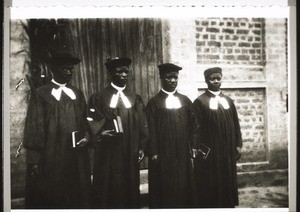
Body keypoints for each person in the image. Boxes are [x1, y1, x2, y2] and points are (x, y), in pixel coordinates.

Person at [23, 51, 91, 209]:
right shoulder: (41, 94)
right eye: (64, 69)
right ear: (53, 70)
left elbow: (86, 120)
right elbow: (34, 128)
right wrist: (34, 160)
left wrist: (88, 136)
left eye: (71, 69)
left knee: (78, 192)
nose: (69, 72)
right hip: (53, 155)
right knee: (55, 193)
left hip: (77, 155)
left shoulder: (77, 94)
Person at [87, 57, 149, 209]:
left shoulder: (135, 98)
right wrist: (101, 133)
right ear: (110, 74)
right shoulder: (99, 97)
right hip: (109, 151)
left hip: (130, 148)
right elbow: (92, 120)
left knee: (129, 184)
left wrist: (141, 146)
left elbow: (143, 124)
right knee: (109, 185)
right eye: (119, 72)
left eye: (126, 72)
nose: (123, 75)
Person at [145, 63, 198, 208]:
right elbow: (150, 129)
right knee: (165, 184)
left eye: (175, 78)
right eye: (169, 78)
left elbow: (194, 126)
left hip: (182, 151)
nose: (173, 81)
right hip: (163, 152)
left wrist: (193, 145)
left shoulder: (185, 101)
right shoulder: (154, 103)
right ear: (161, 78)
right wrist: (154, 151)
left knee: (183, 182)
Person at [192, 67, 243, 208]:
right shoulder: (200, 102)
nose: (216, 81)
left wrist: (238, 144)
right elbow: (196, 128)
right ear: (206, 81)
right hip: (211, 151)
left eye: (218, 78)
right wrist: (197, 149)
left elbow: (235, 123)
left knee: (227, 178)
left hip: (227, 149)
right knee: (212, 181)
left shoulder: (228, 101)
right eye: (212, 79)